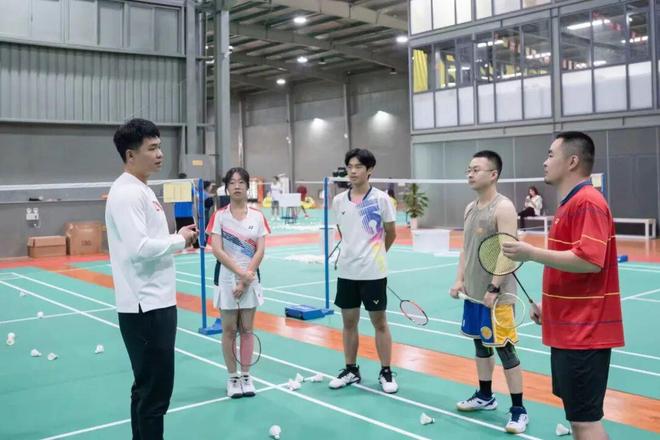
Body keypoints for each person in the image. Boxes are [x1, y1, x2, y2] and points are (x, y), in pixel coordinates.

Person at [502, 132, 624, 440]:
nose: (544, 161)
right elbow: (575, 269)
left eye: (550, 154)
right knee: (578, 420)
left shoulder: (587, 202)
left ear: (572, 161)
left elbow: (590, 260)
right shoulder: (571, 203)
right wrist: (551, 307)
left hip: (584, 333)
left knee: (585, 423)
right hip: (570, 328)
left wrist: (531, 253)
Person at [106, 118, 198, 440]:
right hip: (146, 308)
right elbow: (139, 248)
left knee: (145, 390)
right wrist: (179, 240)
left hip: (153, 303)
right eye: (152, 148)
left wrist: (175, 238)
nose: (160, 154)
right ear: (131, 155)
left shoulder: (141, 189)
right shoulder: (128, 193)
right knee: (154, 396)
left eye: (160, 147)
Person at [449, 150, 529, 434]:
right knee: (479, 344)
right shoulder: (470, 208)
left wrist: (494, 288)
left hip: (497, 296)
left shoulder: (503, 207)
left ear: (493, 174)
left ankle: (519, 410)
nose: (470, 174)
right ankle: (485, 396)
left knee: (505, 349)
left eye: (476, 169)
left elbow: (508, 252)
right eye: (469, 169)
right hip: (473, 293)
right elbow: (465, 249)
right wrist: (459, 279)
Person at [329, 148, 398, 394]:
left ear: (370, 170)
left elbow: (391, 232)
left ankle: (386, 371)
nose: (353, 171)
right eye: (350, 166)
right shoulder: (339, 201)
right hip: (347, 271)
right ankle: (351, 370)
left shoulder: (381, 199)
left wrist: (378, 255)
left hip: (373, 273)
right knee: (349, 322)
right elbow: (344, 232)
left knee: (379, 322)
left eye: (358, 166)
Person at [211, 167, 270, 399]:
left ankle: (246, 376)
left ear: (247, 187)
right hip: (226, 279)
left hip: (250, 278)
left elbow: (260, 250)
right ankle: (232, 377)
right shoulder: (219, 216)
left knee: (247, 329)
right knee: (229, 330)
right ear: (227, 188)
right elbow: (217, 250)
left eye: (241, 182)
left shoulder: (257, 216)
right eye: (232, 182)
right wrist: (240, 274)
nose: (237, 186)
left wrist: (246, 279)